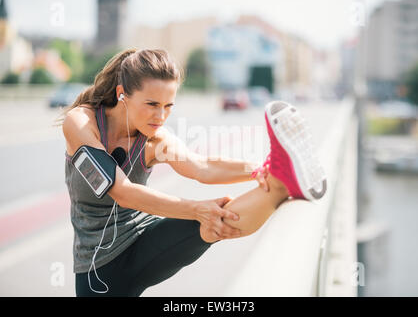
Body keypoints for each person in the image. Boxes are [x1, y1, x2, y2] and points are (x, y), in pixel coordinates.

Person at [57, 48, 326, 297]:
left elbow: (202, 167)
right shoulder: (81, 123)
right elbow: (124, 193)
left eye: (168, 106)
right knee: (205, 214)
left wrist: (258, 171)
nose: (161, 116)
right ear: (121, 94)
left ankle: (282, 182)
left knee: (214, 224)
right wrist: (197, 208)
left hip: (143, 240)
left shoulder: (154, 140)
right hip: (98, 270)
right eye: (152, 104)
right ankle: (280, 177)